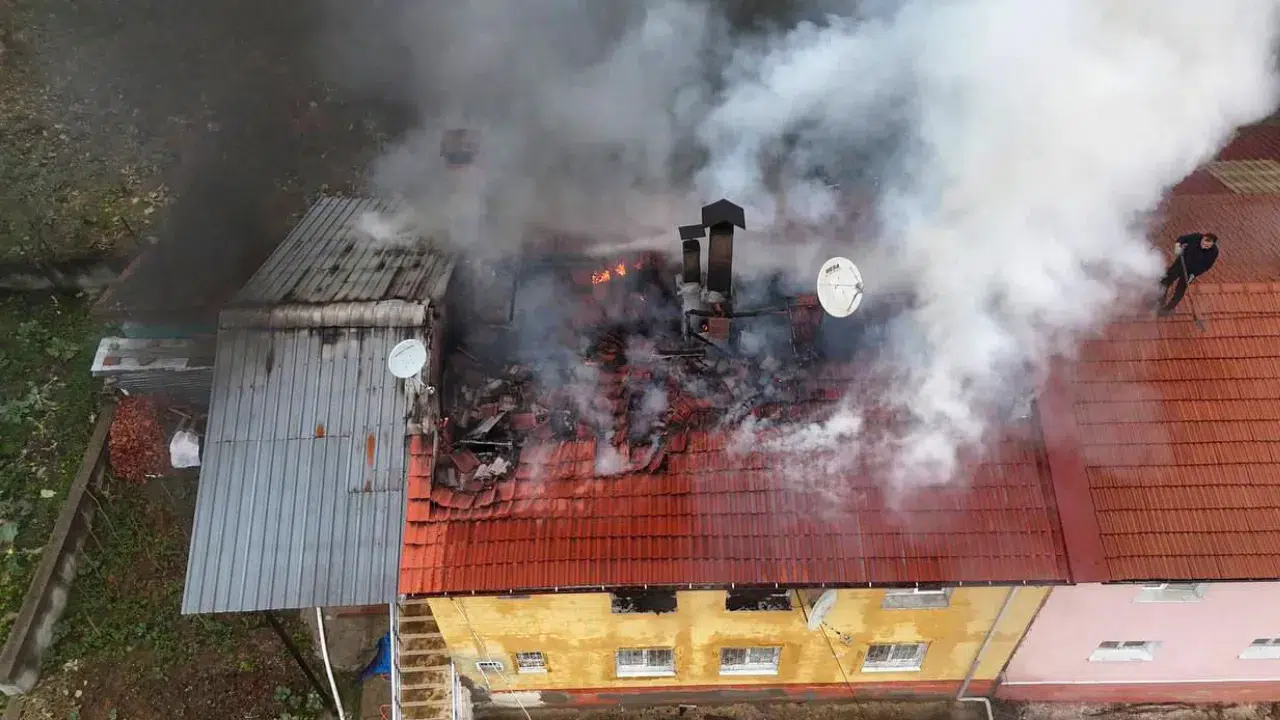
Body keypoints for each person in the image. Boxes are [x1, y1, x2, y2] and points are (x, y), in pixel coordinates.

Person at [1156, 232, 1218, 316]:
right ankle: (1160, 302)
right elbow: (1181, 238)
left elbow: (1207, 266)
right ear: (1202, 238)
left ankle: (1168, 309)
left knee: (1180, 290)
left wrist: (1195, 274)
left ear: (1212, 244)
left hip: (1191, 272)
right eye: (1203, 243)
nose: (1204, 245)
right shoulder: (1196, 237)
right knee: (1165, 281)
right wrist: (1178, 246)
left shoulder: (1214, 252)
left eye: (1207, 245)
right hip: (1180, 264)